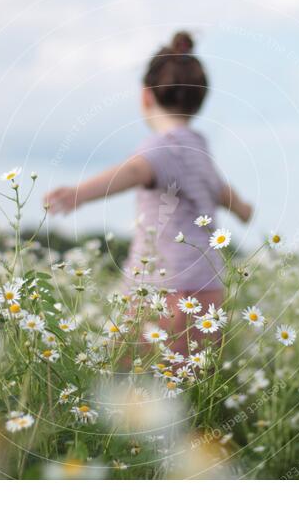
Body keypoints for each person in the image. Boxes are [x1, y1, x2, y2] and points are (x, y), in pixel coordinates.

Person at [44, 31, 252, 355]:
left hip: (162, 286)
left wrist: (79, 193)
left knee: (134, 379)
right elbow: (224, 192)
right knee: (191, 384)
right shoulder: (200, 151)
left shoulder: (162, 148)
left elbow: (133, 171)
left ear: (146, 96)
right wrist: (244, 210)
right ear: (200, 100)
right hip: (209, 285)